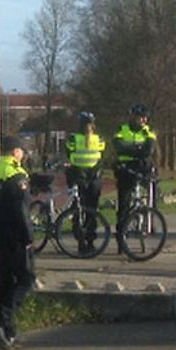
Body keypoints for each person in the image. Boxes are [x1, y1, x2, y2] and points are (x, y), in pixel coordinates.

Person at [0, 135, 34, 350]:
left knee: (4, 282)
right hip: (14, 237)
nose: (24, 155)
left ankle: (8, 332)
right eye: (22, 151)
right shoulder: (16, 174)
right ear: (15, 152)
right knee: (26, 278)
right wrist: (28, 237)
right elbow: (21, 211)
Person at [64, 111, 106, 254]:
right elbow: (101, 157)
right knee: (92, 210)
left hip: (77, 176)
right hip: (94, 177)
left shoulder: (73, 138)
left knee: (78, 210)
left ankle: (80, 241)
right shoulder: (99, 139)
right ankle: (90, 241)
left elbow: (69, 154)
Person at [114, 103, 158, 224]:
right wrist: (139, 148)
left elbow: (148, 150)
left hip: (143, 166)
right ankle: (122, 228)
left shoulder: (149, 131)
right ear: (133, 117)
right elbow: (118, 146)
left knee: (153, 188)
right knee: (124, 199)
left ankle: (150, 221)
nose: (144, 120)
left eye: (145, 117)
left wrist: (130, 149)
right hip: (125, 167)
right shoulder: (122, 129)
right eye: (141, 117)